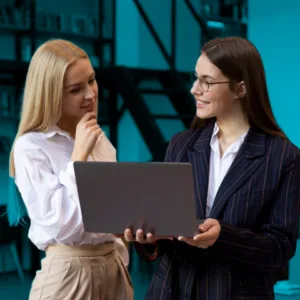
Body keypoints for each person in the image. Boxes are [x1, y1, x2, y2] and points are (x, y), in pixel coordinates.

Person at [124, 36, 300, 299]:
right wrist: (147, 239)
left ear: (240, 88)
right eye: (195, 78)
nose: (194, 89)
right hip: (171, 290)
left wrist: (223, 237)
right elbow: (165, 224)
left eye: (206, 81)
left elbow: (279, 248)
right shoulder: (181, 144)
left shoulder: (283, 156)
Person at [8, 39, 133, 300]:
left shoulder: (99, 138)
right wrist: (78, 158)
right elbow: (61, 226)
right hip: (69, 276)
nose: (91, 94)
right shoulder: (30, 146)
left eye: (92, 79)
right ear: (50, 94)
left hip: (114, 270)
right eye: (76, 89)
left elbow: (112, 211)